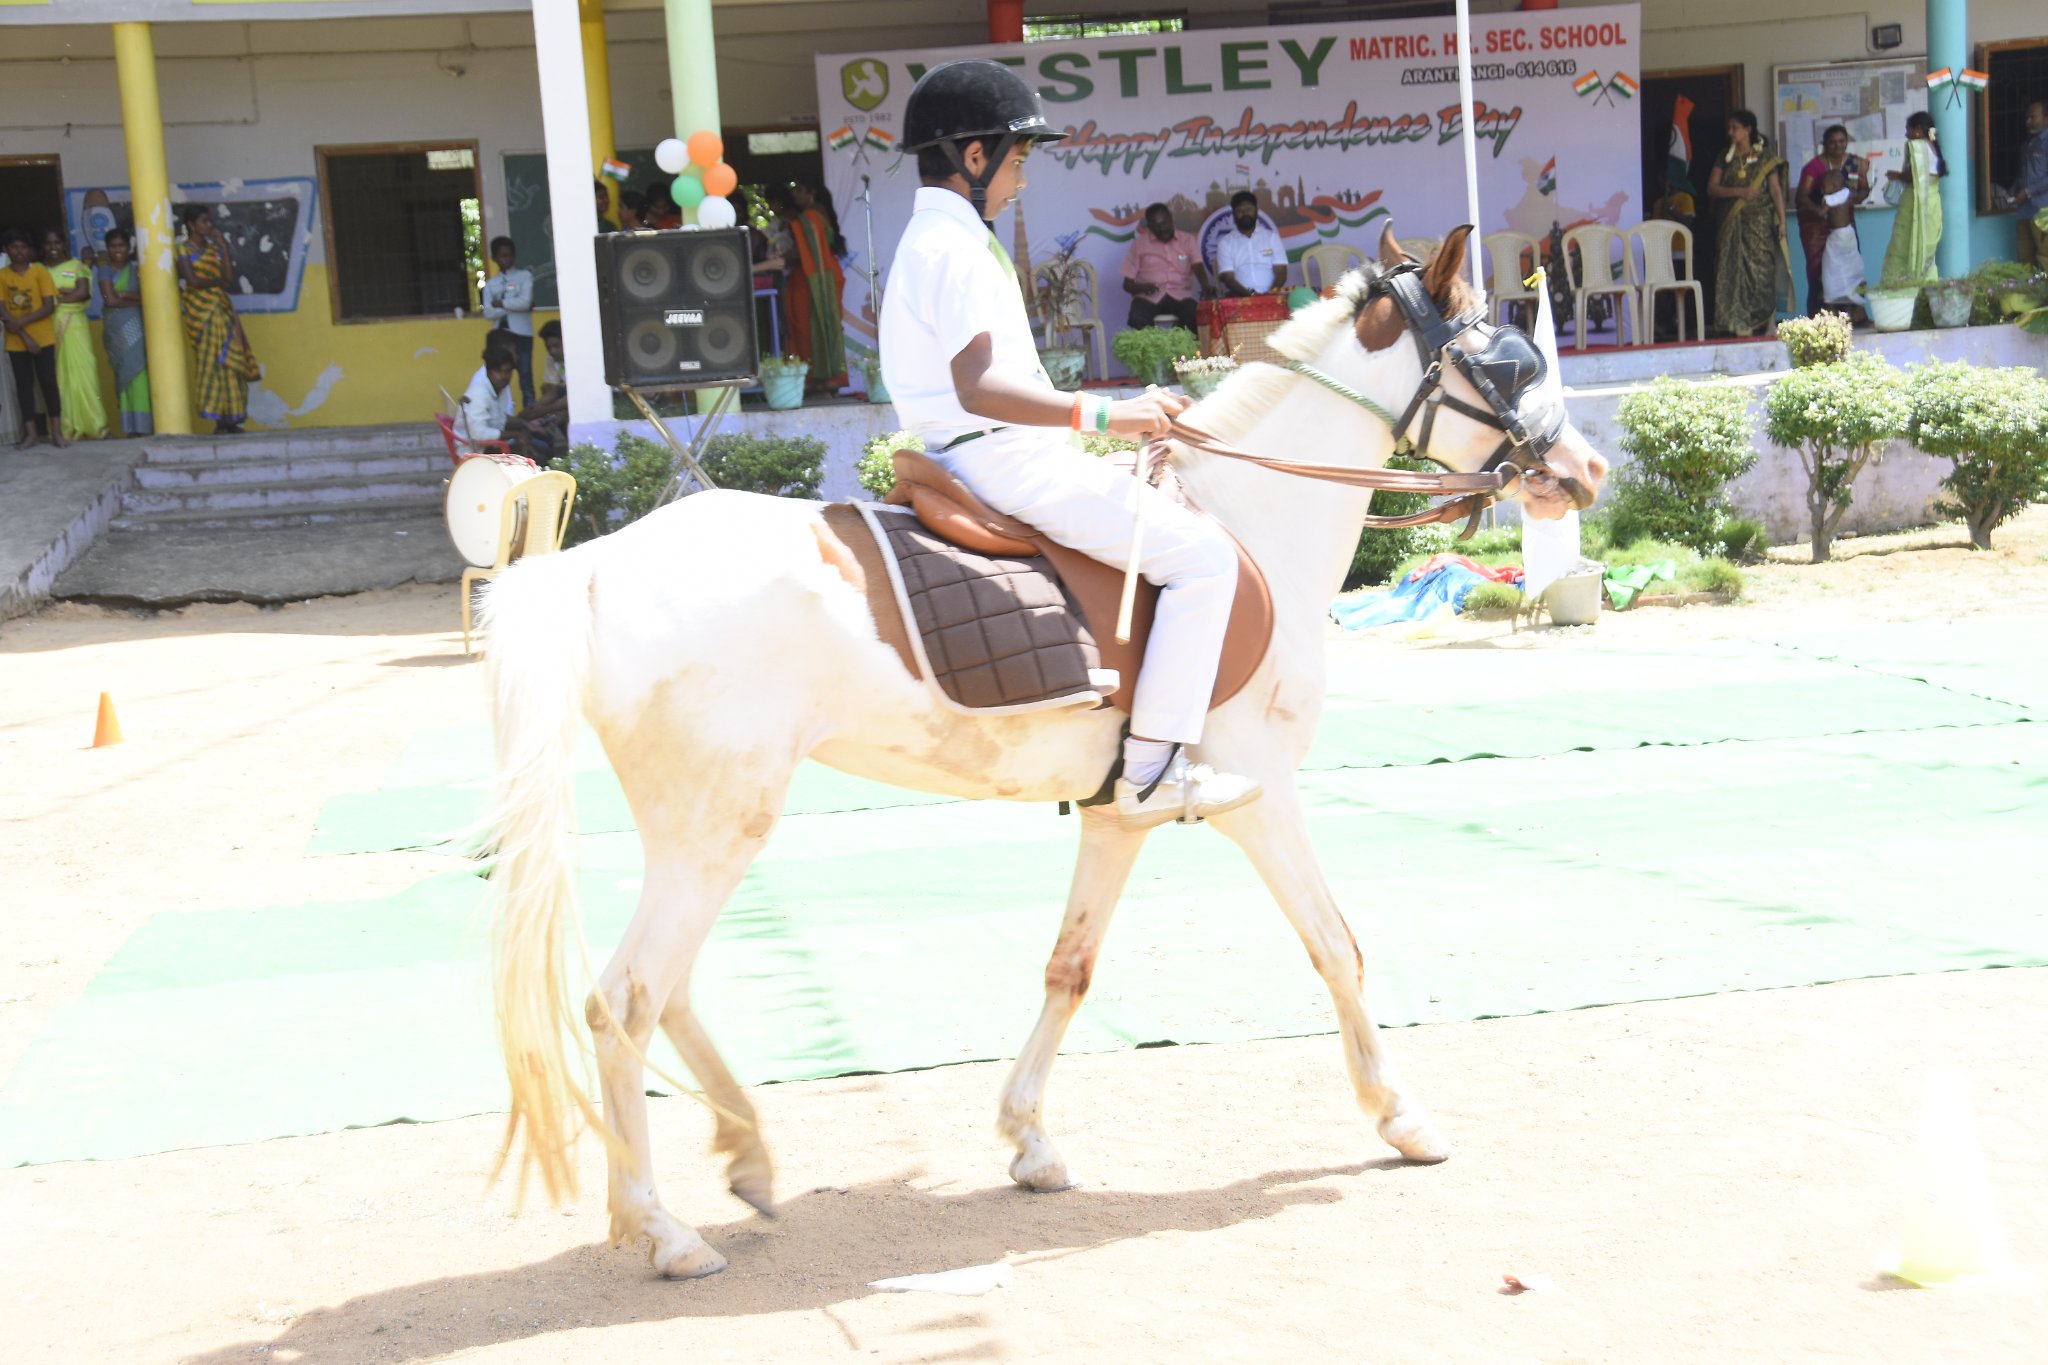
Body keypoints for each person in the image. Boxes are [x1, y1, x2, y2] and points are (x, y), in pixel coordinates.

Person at [878, 59, 1259, 825]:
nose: (1021, 181)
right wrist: (1110, 415)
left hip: (987, 450)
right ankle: (1153, 772)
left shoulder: (936, 239)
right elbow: (980, 387)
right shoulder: (951, 249)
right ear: (973, 158)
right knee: (1206, 560)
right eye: (1016, 162)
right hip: (999, 456)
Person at [1706, 108, 1792, 337]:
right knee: (1731, 271)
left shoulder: (1764, 157)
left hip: (1760, 224)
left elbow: (1775, 191)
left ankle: (1768, 323)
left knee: (1763, 271)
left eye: (1735, 128)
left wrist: (1782, 221)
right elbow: (1712, 188)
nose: (1731, 132)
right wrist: (1740, 191)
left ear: (1748, 130)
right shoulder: (1725, 157)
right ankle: (1737, 322)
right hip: (1731, 223)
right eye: (1730, 128)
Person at [177, 206, 260, 435]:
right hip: (200, 312)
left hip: (221, 309)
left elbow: (229, 278)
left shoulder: (214, 249)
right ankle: (218, 420)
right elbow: (193, 281)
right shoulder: (183, 250)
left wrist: (223, 245)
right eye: (204, 221)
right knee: (210, 364)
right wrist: (216, 281)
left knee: (229, 363)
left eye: (210, 221)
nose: (209, 226)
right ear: (192, 225)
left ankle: (231, 418)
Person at [781, 178, 848, 393]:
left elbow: (804, 253)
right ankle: (824, 378)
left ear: (812, 193)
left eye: (799, 190)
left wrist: (779, 258)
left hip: (815, 280)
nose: (795, 195)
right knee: (819, 326)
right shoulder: (815, 215)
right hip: (822, 277)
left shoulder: (810, 218)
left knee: (810, 328)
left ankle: (823, 378)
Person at [1795, 125, 1870, 314]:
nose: (1838, 145)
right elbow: (1801, 196)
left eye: (1842, 141)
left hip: (1844, 227)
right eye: (1833, 142)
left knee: (1850, 268)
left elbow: (1864, 189)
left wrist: (1855, 197)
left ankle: (1854, 315)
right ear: (1824, 144)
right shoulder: (1814, 167)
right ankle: (1820, 315)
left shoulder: (1855, 163)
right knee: (1819, 270)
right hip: (1816, 226)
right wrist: (1819, 210)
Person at [1, 228, 62, 448]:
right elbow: (2, 310)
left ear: (30, 250)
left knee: (48, 384)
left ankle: (56, 431)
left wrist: (21, 323)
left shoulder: (39, 272)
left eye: (23, 247)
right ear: (6, 250)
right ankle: (31, 433)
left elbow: (49, 306)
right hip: (16, 341)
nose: (19, 251)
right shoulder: (2, 275)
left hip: (44, 338)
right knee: (24, 386)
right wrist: (24, 335)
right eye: (14, 247)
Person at [44, 230, 106, 441]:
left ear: (63, 244)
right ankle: (66, 427)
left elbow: (82, 292)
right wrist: (63, 295)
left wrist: (54, 300)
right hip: (48, 328)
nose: (53, 246)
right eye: (48, 243)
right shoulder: (40, 271)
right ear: (43, 246)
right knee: (59, 379)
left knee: (85, 372)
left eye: (56, 241)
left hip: (75, 327)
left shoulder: (77, 267)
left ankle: (95, 425)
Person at [95, 227, 152, 436]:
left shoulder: (137, 269)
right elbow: (110, 299)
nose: (117, 249)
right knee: (125, 374)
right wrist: (135, 298)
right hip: (116, 328)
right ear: (108, 248)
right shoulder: (104, 270)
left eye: (121, 245)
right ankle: (131, 427)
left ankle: (144, 426)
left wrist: (126, 294)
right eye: (113, 246)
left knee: (140, 372)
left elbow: (150, 297)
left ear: (128, 248)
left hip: (137, 327)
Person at [1881, 111, 1945, 288]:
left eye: (1908, 129)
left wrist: (1897, 175)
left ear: (1918, 130)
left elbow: (1913, 176)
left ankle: (1900, 288)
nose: (1906, 134)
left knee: (1904, 246)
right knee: (1926, 251)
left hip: (1917, 203)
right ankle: (1925, 289)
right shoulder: (1933, 147)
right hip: (1932, 204)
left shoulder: (1918, 147)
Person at [1119, 202, 1206, 331]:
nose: (1162, 229)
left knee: (1194, 315)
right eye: (1156, 226)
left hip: (1181, 295)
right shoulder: (1139, 244)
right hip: (1148, 298)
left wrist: (1206, 285)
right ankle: (1154, 349)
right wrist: (1141, 288)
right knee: (1136, 317)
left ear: (1171, 218)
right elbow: (1127, 284)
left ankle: (1178, 347)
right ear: (1149, 227)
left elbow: (1197, 265)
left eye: (1164, 223)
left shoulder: (1187, 240)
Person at [481, 235, 536, 409]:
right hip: (500, 335)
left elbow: (526, 302)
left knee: (525, 375)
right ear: (494, 258)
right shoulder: (491, 284)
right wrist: (514, 305)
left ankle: (531, 412)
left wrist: (502, 303)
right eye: (502, 256)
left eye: (510, 255)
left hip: (522, 334)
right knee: (499, 377)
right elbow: (488, 313)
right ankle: (500, 413)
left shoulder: (524, 276)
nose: (507, 259)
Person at [504, 320, 566, 460]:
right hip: (559, 402)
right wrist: (533, 409)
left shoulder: (577, 358)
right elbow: (551, 391)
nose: (552, 351)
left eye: (557, 346)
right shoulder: (552, 359)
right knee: (535, 421)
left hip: (573, 406)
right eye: (548, 346)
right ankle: (543, 459)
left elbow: (572, 398)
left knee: (549, 417)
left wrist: (544, 410)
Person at [1815, 169, 1868, 324]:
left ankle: (1832, 303)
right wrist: (1864, 181)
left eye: (1823, 186)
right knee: (1852, 266)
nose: (1822, 190)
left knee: (1830, 267)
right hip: (1849, 235)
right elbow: (1859, 196)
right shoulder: (1846, 193)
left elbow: (1820, 213)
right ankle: (1855, 304)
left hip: (1837, 236)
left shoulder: (1828, 199)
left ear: (1832, 185)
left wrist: (1810, 207)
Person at [1215, 190, 1285, 297]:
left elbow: (1282, 273)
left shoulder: (1271, 238)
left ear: (1256, 210)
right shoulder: (1225, 243)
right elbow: (1229, 279)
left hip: (1272, 296)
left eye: (1249, 209)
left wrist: (1269, 294)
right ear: (1233, 214)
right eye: (1240, 210)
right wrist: (1251, 295)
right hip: (1240, 297)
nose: (1245, 213)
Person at [2008, 99, 2048, 267]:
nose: (2028, 121)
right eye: (2028, 117)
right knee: (2025, 260)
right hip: (2025, 210)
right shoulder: (2028, 144)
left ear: (2046, 118)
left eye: (2033, 116)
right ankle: (2030, 293)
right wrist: (2012, 191)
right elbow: (2024, 174)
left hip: (2043, 210)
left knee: (2045, 257)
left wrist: (2029, 191)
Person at [457, 340, 517, 447]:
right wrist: (516, 435)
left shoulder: (500, 389)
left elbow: (500, 422)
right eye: (498, 371)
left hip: (492, 447)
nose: (504, 376)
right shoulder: (478, 394)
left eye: (507, 371)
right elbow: (478, 434)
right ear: (488, 372)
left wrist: (526, 427)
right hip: (474, 452)